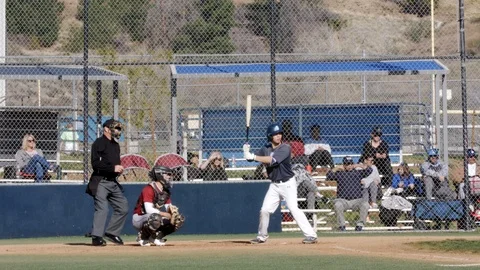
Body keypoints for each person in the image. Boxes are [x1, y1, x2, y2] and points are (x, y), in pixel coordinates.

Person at [243, 123, 318, 244]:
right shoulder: (266, 148)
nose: (278, 136)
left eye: (279, 134)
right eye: (275, 134)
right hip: (274, 184)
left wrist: (253, 156)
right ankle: (262, 236)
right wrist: (246, 152)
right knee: (264, 210)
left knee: (293, 208)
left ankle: (311, 235)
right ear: (270, 136)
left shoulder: (285, 148)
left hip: (288, 183)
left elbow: (272, 161)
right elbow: (252, 157)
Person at [85, 119, 129, 246]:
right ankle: (96, 237)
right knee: (102, 208)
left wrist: (118, 170)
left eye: (119, 129)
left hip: (112, 182)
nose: (118, 131)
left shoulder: (115, 145)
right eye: (115, 128)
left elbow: (114, 164)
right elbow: (96, 164)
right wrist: (112, 168)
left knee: (123, 206)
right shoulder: (98, 143)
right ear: (106, 129)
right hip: (101, 181)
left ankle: (112, 233)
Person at [132, 166, 183, 246]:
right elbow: (148, 210)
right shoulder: (149, 189)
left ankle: (156, 237)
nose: (170, 177)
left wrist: (173, 214)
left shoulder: (165, 191)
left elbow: (169, 207)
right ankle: (142, 237)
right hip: (139, 218)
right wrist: (165, 214)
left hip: (151, 218)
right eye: (168, 174)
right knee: (156, 217)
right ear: (159, 175)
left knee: (178, 220)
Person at [326, 156, 373, 231]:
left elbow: (369, 171)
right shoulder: (340, 173)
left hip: (357, 200)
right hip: (343, 200)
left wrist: (360, 165)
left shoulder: (358, 173)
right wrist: (336, 168)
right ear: (344, 165)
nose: (349, 166)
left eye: (351, 164)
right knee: (338, 205)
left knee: (365, 204)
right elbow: (328, 176)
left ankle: (359, 225)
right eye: (347, 164)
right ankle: (342, 226)